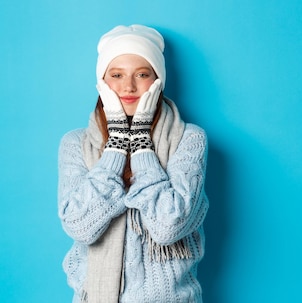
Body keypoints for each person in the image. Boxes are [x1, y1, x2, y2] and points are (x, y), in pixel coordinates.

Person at [58, 24, 209, 302]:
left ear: (158, 81)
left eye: (142, 74)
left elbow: (168, 228)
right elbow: (80, 226)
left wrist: (140, 142)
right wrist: (116, 145)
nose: (128, 86)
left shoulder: (189, 138)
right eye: (116, 75)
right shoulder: (75, 143)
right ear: (101, 82)